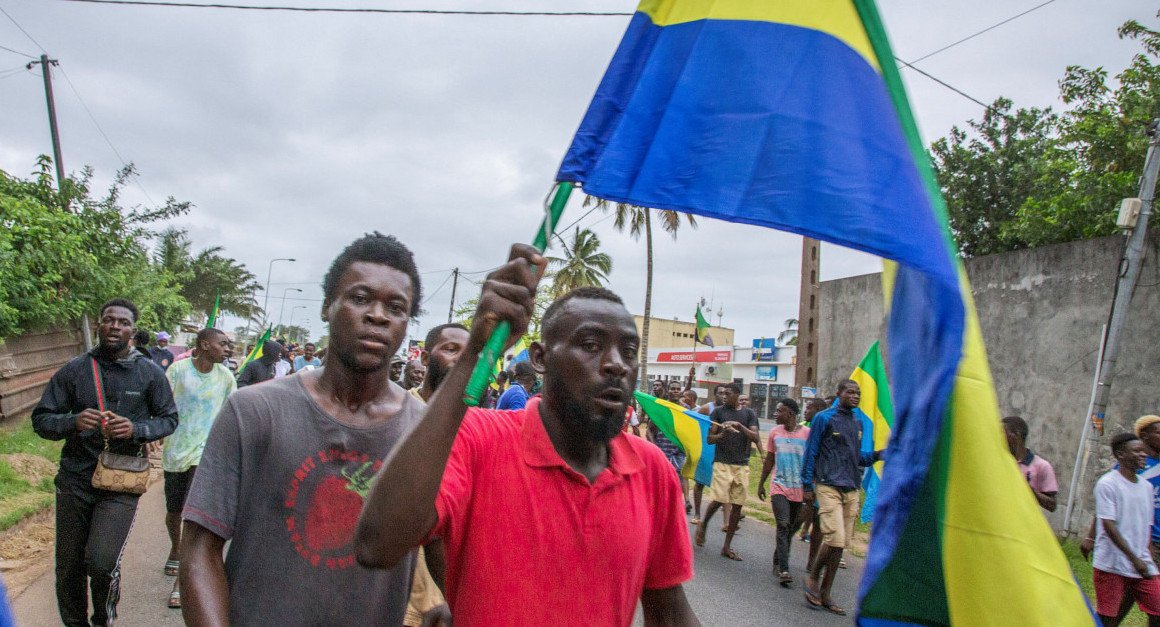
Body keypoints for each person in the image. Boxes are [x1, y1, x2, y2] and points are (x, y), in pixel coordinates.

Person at [354, 263, 701, 626]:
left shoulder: (653, 469)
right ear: (540, 358)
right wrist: (476, 350)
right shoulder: (477, 437)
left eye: (629, 351)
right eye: (590, 345)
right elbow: (377, 544)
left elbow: (670, 611)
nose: (616, 364)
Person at [180, 233, 427, 626]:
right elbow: (198, 551)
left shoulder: (426, 434)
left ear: (406, 323)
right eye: (361, 299)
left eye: (396, 307)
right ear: (328, 307)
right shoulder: (253, 411)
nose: (378, 315)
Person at [32, 298, 179, 627]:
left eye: (123, 322)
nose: (115, 326)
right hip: (75, 479)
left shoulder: (150, 373)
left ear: (132, 330)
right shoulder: (74, 370)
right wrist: (73, 421)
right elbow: (41, 420)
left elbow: (169, 420)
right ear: (99, 325)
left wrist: (137, 429)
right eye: (109, 320)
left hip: (121, 482)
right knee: (68, 566)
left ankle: (103, 620)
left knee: (100, 562)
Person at [160, 327, 236, 609]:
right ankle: (175, 549)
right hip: (176, 450)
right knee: (174, 512)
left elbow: (231, 415)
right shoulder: (178, 372)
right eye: (223, 344)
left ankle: (181, 581)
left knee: (192, 516)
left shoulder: (227, 378)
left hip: (206, 455)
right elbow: (163, 405)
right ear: (204, 345)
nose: (228, 349)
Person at [400, 323, 470, 627]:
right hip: (410, 603)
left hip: (453, 600)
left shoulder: (476, 426)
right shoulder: (400, 416)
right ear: (426, 359)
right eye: (452, 350)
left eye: (471, 355)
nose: (461, 360)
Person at [801, 379, 884, 616]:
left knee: (840, 546)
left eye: (858, 393)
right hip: (828, 486)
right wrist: (807, 485)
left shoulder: (857, 422)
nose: (855, 396)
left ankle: (826, 593)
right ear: (839, 394)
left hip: (851, 488)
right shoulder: (824, 418)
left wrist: (880, 454)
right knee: (835, 539)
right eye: (850, 392)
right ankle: (814, 576)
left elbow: (857, 457)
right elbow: (811, 453)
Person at [1092, 433, 1160, 627]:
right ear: (1121, 454)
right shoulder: (1108, 484)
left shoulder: (1146, 487)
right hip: (1112, 564)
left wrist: (1148, 558)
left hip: (1141, 563)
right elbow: (1109, 525)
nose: (1143, 455)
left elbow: (1145, 527)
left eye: (1143, 451)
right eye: (1137, 451)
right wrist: (1134, 558)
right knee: (1109, 619)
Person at [695, 382, 762, 561]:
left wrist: (739, 426)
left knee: (737, 505)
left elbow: (755, 437)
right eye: (723, 393)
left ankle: (727, 546)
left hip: (742, 464)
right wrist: (722, 433)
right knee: (719, 498)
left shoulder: (749, 414)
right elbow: (710, 439)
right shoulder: (718, 412)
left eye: (728, 393)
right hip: (722, 462)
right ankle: (703, 524)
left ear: (738, 395)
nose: (724, 396)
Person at [1083, 415, 1160, 564]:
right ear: (1144, 436)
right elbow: (1106, 503)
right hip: (1143, 538)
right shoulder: (1132, 465)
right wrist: (1091, 536)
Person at [758, 398, 809, 585]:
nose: (775, 414)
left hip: (800, 488)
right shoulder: (774, 433)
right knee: (783, 524)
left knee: (790, 527)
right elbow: (769, 460)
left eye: (779, 411)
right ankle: (784, 569)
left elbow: (811, 461)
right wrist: (761, 483)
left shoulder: (807, 434)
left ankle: (778, 556)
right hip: (779, 485)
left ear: (791, 414)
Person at [649, 381, 691, 513]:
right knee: (661, 484)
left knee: (677, 484)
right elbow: (650, 429)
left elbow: (690, 430)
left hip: (679, 453)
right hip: (662, 451)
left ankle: (675, 510)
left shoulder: (685, 409)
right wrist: (655, 447)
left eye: (678, 389)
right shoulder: (662, 407)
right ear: (668, 391)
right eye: (672, 389)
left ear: (681, 391)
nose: (675, 391)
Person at [1002, 416, 1059, 512]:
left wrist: (1030, 491)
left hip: (1024, 524)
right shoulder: (1001, 463)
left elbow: (1052, 505)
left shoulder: (1041, 466)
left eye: (1003, 433)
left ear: (1017, 435)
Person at [690, 385, 728, 525]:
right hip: (706, 450)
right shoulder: (707, 408)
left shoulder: (728, 411)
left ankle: (726, 521)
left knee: (724, 485)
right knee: (700, 482)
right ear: (715, 395)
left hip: (721, 451)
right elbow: (695, 423)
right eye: (720, 393)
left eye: (725, 393)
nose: (723, 396)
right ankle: (697, 514)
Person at [799, 398, 829, 550]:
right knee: (800, 516)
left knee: (818, 521)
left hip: (820, 480)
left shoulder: (823, 428)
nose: (805, 411)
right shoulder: (803, 428)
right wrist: (807, 483)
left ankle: (812, 565)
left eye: (809, 408)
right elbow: (809, 456)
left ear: (818, 411)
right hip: (807, 481)